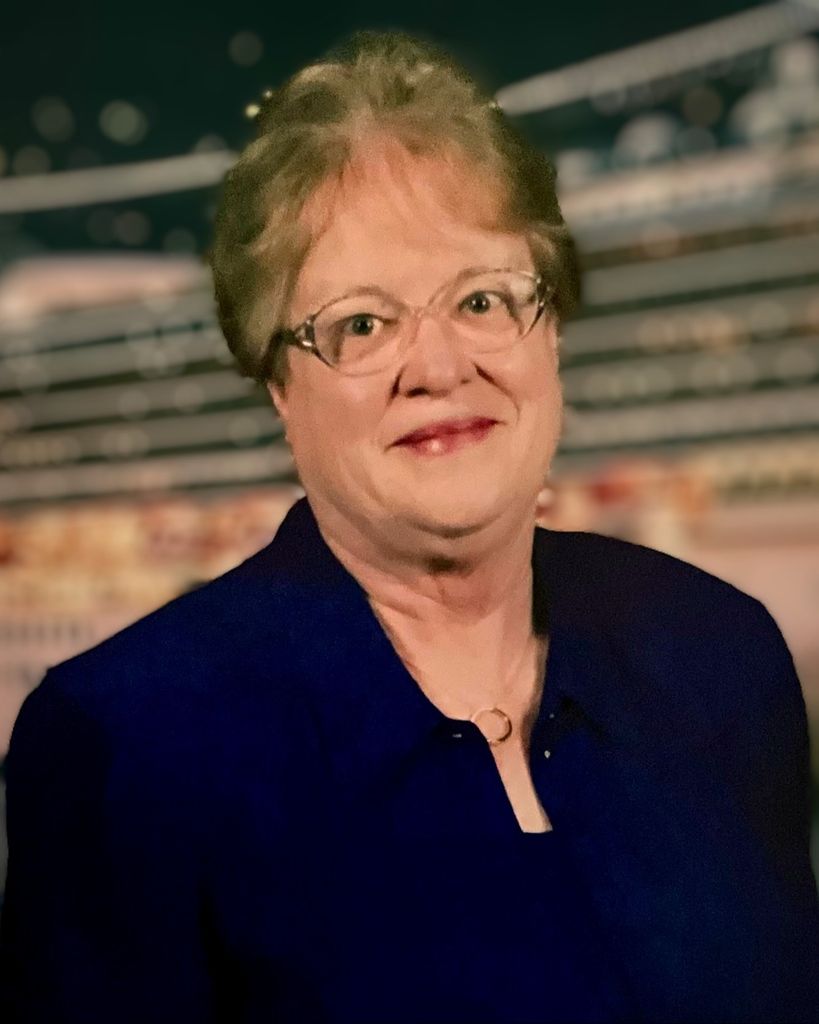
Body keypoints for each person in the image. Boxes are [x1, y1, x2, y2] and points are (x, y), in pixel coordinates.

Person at [1, 30, 818, 1024]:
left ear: (551, 333)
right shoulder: (125, 748)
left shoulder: (718, 650)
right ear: (279, 383)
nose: (437, 366)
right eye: (362, 324)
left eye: (481, 299)